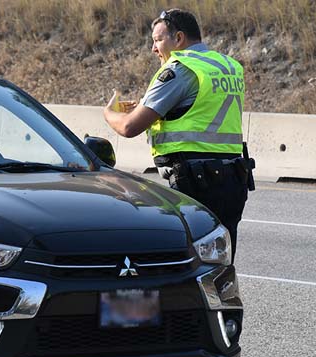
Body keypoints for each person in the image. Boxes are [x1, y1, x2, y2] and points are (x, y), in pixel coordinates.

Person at [103, 9, 250, 267]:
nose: (153, 48)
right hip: (233, 179)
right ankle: (224, 308)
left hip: (194, 184)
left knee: (183, 267)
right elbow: (201, 110)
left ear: (178, 38)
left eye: (158, 40)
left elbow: (128, 127)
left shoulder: (179, 69)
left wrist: (108, 113)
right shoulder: (228, 65)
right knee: (220, 265)